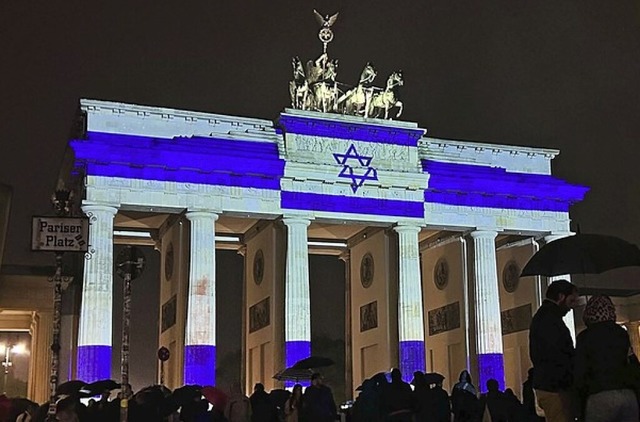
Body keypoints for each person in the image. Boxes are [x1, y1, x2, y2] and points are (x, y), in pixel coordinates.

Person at [574, 294, 640, 421]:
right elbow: (632, 363)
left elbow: (580, 371)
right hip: (627, 394)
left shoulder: (584, 337)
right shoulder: (621, 333)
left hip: (598, 395)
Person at [528, 279, 579, 422]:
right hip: (556, 387)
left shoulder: (544, 317)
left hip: (548, 384)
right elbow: (558, 355)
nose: (572, 306)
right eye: (571, 300)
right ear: (561, 297)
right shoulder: (550, 321)